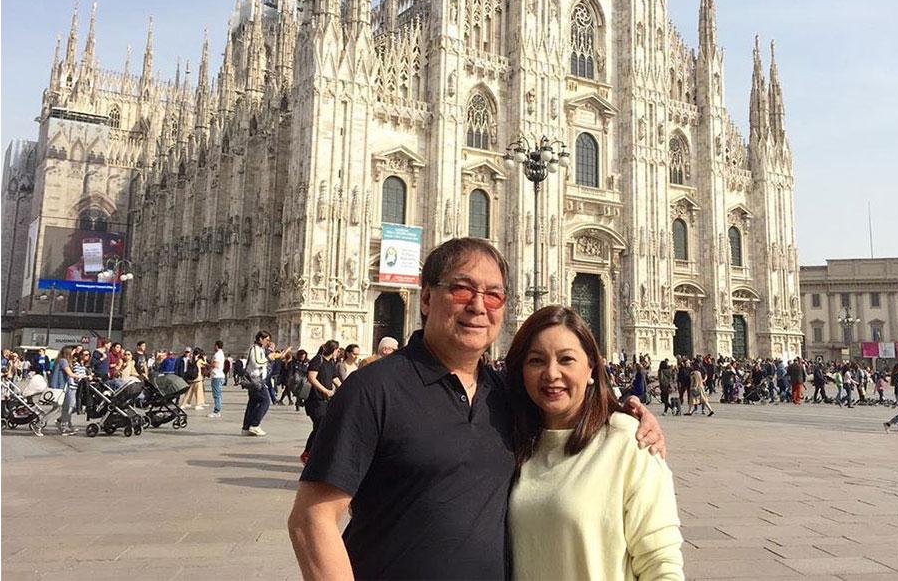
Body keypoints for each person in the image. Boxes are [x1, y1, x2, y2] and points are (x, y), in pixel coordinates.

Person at [288, 237, 665, 579]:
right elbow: (311, 520)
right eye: (462, 289)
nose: (478, 306)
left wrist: (628, 415)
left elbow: (567, 415)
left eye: (493, 295)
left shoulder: (505, 395)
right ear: (426, 298)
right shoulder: (373, 389)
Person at [505, 305, 684, 581]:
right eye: (536, 360)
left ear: (591, 367)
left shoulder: (629, 440)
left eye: (566, 359)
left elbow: (661, 563)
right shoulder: (510, 437)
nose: (551, 374)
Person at [242, 331, 290, 436]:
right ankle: (255, 425)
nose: (268, 342)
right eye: (267, 340)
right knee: (266, 401)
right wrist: (269, 358)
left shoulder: (260, 349)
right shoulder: (255, 349)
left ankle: (246, 427)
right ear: (260, 339)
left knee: (253, 403)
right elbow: (257, 362)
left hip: (257, 380)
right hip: (256, 380)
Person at [300, 340, 340, 465]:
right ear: (332, 350)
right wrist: (326, 391)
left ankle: (314, 453)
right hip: (315, 400)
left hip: (325, 401)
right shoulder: (318, 360)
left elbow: (335, 379)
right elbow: (311, 378)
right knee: (320, 426)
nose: (338, 353)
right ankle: (307, 453)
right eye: (337, 350)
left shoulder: (331, 362)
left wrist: (345, 388)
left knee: (322, 427)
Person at [51, 345, 86, 435]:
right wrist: (83, 376)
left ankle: (66, 425)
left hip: (62, 387)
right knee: (64, 408)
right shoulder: (63, 361)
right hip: (61, 387)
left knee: (67, 407)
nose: (74, 353)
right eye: (73, 351)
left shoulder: (61, 360)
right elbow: (70, 374)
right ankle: (42, 423)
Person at [208, 340, 225, 418]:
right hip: (219, 375)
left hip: (216, 376)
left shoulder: (217, 354)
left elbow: (216, 365)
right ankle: (217, 410)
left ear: (216, 346)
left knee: (216, 394)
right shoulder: (221, 353)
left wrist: (206, 364)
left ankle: (216, 411)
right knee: (218, 394)